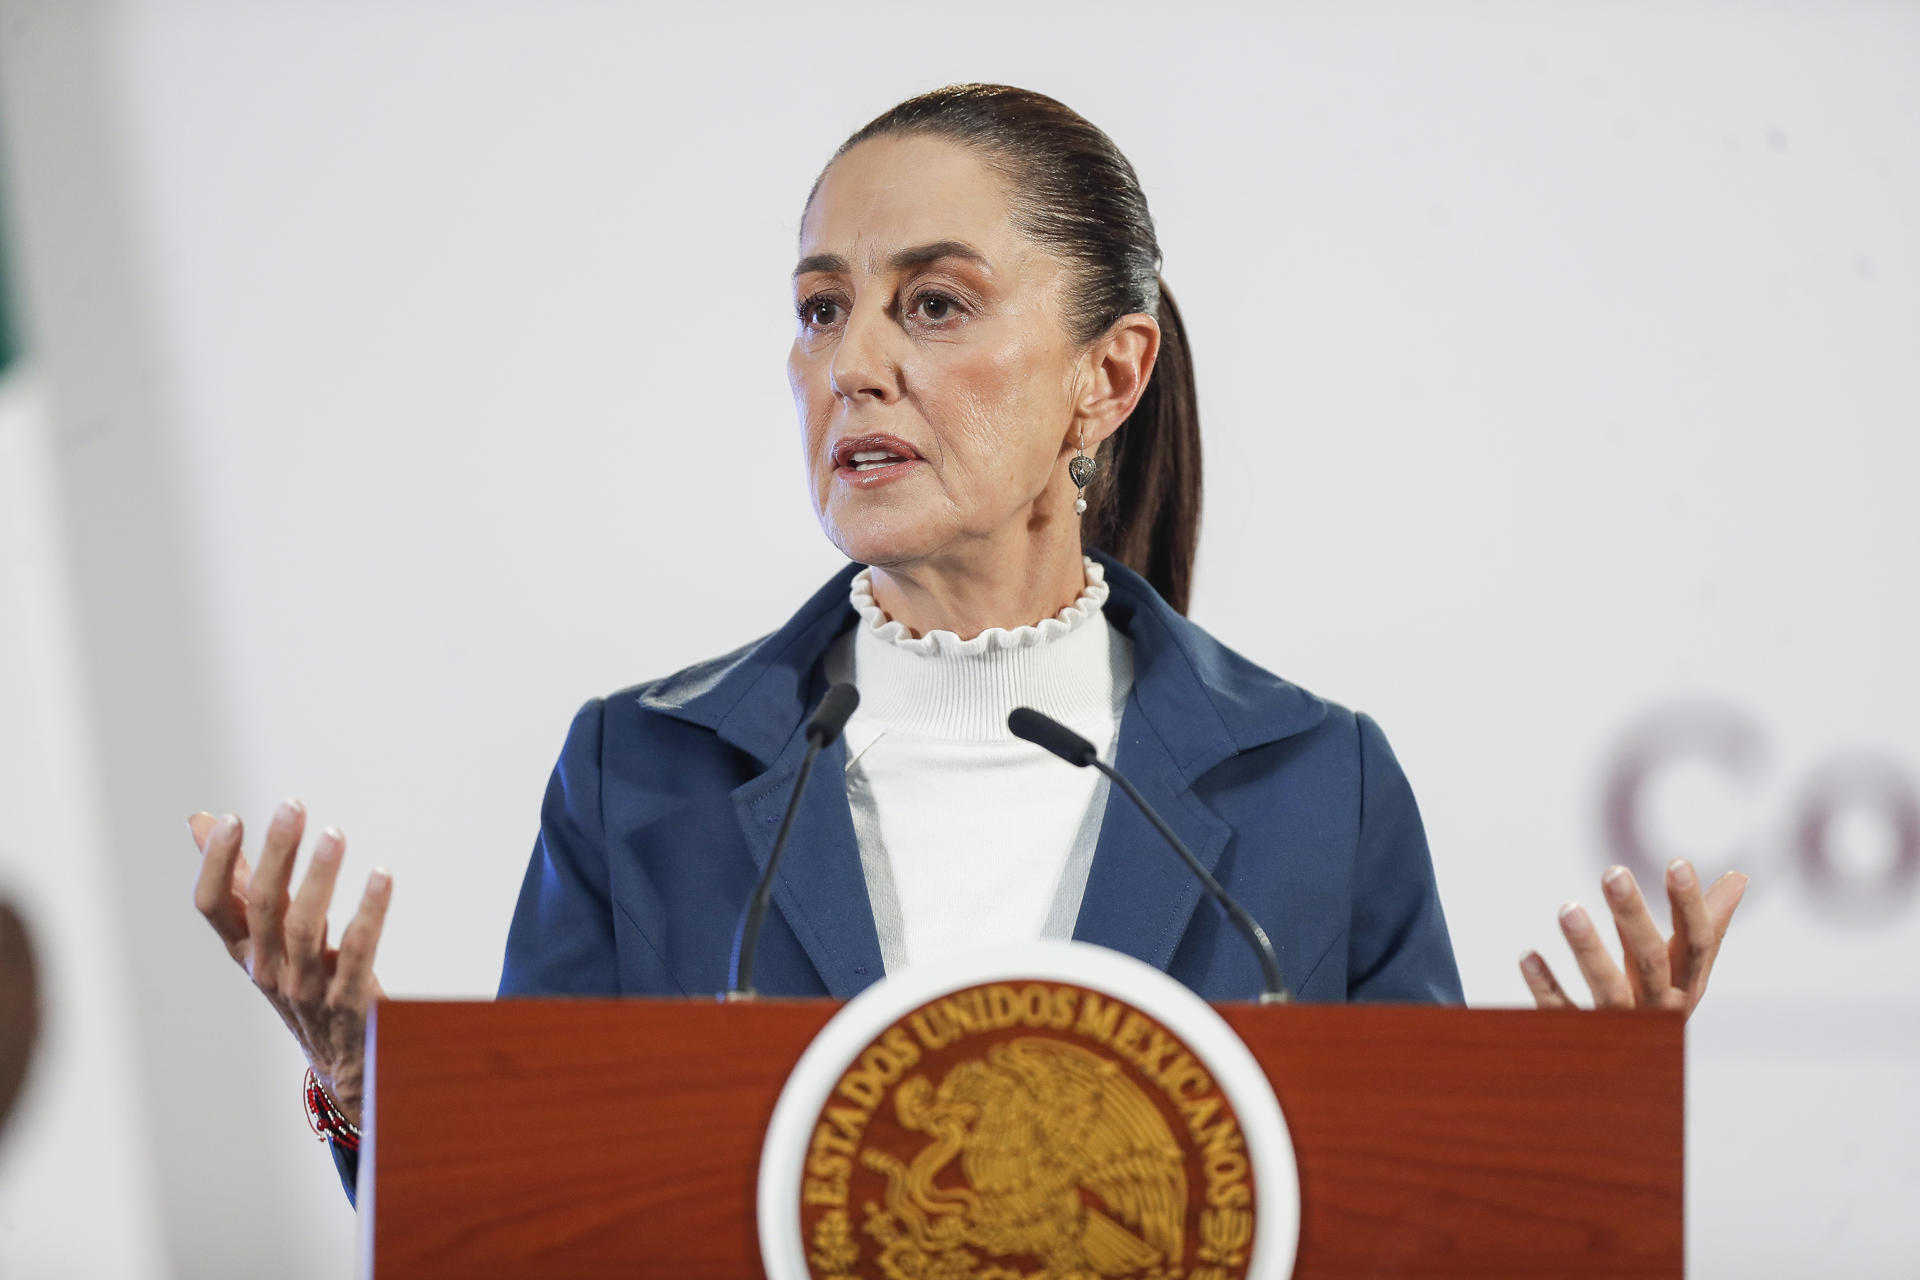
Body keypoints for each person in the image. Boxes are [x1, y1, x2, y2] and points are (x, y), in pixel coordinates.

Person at [186, 84, 1749, 1207]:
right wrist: (364, 1073)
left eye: (931, 306)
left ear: (1107, 377)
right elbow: (539, 1221)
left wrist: (1574, 1127)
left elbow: (1422, 1234)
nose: (851, 363)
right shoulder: (645, 772)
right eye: (818, 310)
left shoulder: (1309, 788)